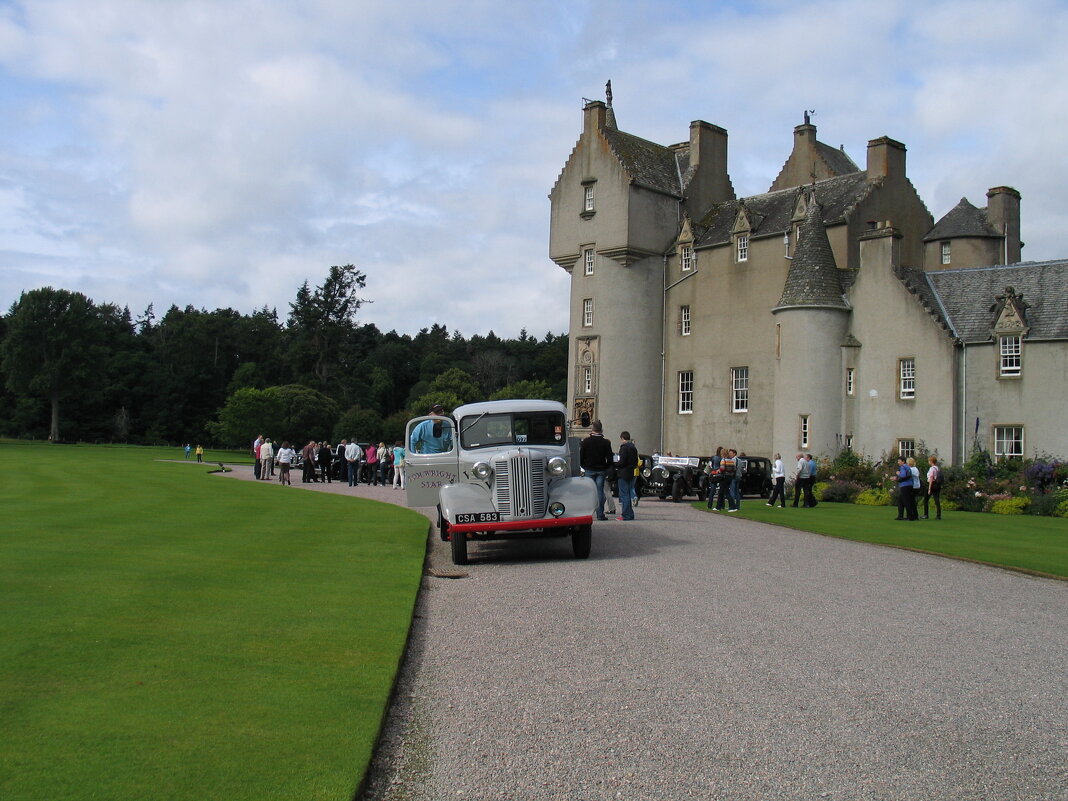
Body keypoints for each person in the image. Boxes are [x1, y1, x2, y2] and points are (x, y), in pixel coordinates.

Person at [580, 420, 614, 521]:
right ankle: (600, 514)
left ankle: (587, 513)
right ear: (601, 429)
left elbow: (581, 456)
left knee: (589, 491)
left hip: (589, 469)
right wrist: (606, 466)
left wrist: (584, 466)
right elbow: (610, 458)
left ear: (592, 429)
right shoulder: (606, 442)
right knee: (599, 491)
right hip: (601, 469)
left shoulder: (586, 441)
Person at [615, 431, 638, 521]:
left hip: (623, 473)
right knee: (628, 493)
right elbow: (636, 461)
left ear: (622, 438)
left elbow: (622, 462)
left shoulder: (624, 448)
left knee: (624, 495)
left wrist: (615, 464)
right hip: (631, 472)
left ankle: (626, 515)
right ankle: (630, 514)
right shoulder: (633, 448)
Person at [923, 455, 943, 520]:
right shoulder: (937, 468)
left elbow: (931, 478)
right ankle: (938, 515)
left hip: (932, 484)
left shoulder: (931, 469)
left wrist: (929, 488)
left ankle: (926, 514)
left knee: (926, 499)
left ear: (931, 461)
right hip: (937, 485)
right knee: (937, 500)